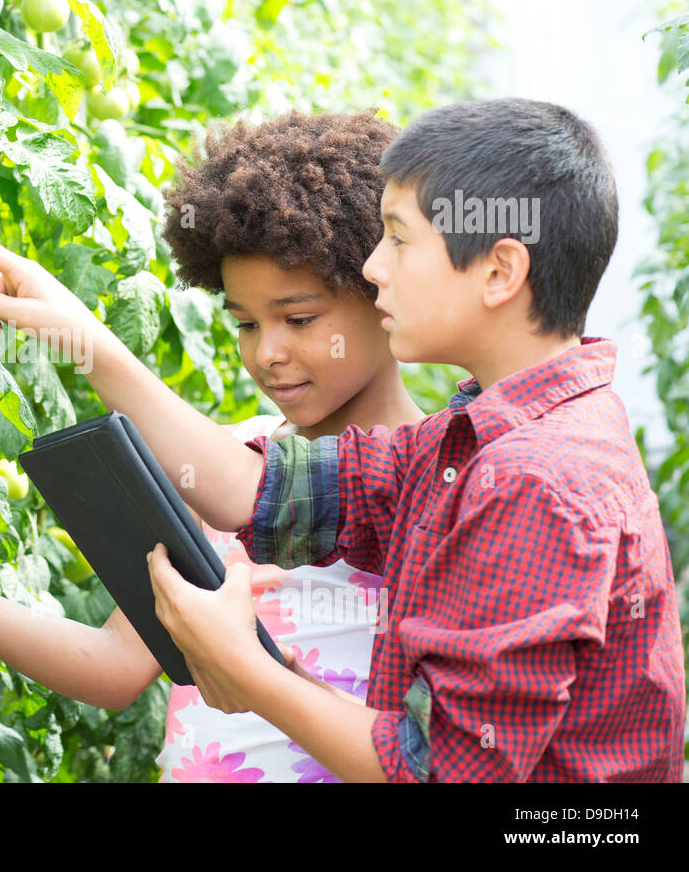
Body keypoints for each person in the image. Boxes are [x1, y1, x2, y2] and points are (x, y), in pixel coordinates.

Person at [0, 110, 426, 781]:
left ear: (384, 291)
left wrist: (88, 341)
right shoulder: (223, 458)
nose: (268, 353)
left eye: (298, 319)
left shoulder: (440, 475)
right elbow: (119, 665)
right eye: (245, 323)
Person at [133, 98, 684, 781]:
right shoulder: (480, 434)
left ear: (499, 271)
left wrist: (247, 669)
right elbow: (272, 491)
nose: (372, 268)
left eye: (396, 238)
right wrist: (87, 343)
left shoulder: (534, 481)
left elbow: (435, 772)